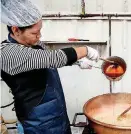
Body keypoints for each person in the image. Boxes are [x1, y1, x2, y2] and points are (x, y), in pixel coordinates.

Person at [1, 0, 100, 133]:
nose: (39, 36)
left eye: (40, 31)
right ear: (16, 30)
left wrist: (77, 62)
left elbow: (46, 61)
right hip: (37, 124)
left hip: (56, 115)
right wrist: (85, 50)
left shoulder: (31, 44)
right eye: (34, 33)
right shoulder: (7, 53)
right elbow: (51, 58)